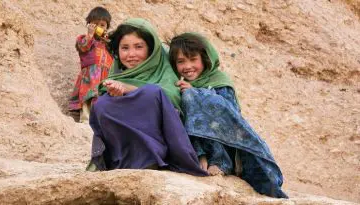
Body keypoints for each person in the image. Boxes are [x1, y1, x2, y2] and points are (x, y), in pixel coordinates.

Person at [169, 33, 288, 198]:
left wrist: (195, 93)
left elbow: (229, 118)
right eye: (181, 61)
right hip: (200, 147)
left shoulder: (219, 80)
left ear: (205, 58)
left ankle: (221, 162)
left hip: (226, 145)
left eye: (193, 59)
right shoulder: (181, 86)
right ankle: (200, 156)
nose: (187, 66)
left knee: (193, 100)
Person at [86, 18, 207, 177]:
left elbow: (168, 95)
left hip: (162, 153)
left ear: (150, 49)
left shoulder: (163, 68)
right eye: (125, 48)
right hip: (122, 162)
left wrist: (128, 90)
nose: (131, 54)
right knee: (102, 104)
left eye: (138, 47)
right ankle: (120, 161)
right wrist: (116, 92)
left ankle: (152, 158)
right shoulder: (117, 75)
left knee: (152, 94)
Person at [68, 6, 114, 123]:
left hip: (105, 75)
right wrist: (90, 34)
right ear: (89, 25)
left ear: (107, 27)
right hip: (90, 74)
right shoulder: (85, 39)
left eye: (102, 25)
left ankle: (100, 120)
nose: (99, 27)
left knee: (102, 98)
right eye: (95, 24)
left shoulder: (108, 43)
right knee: (89, 96)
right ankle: (86, 119)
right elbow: (83, 47)